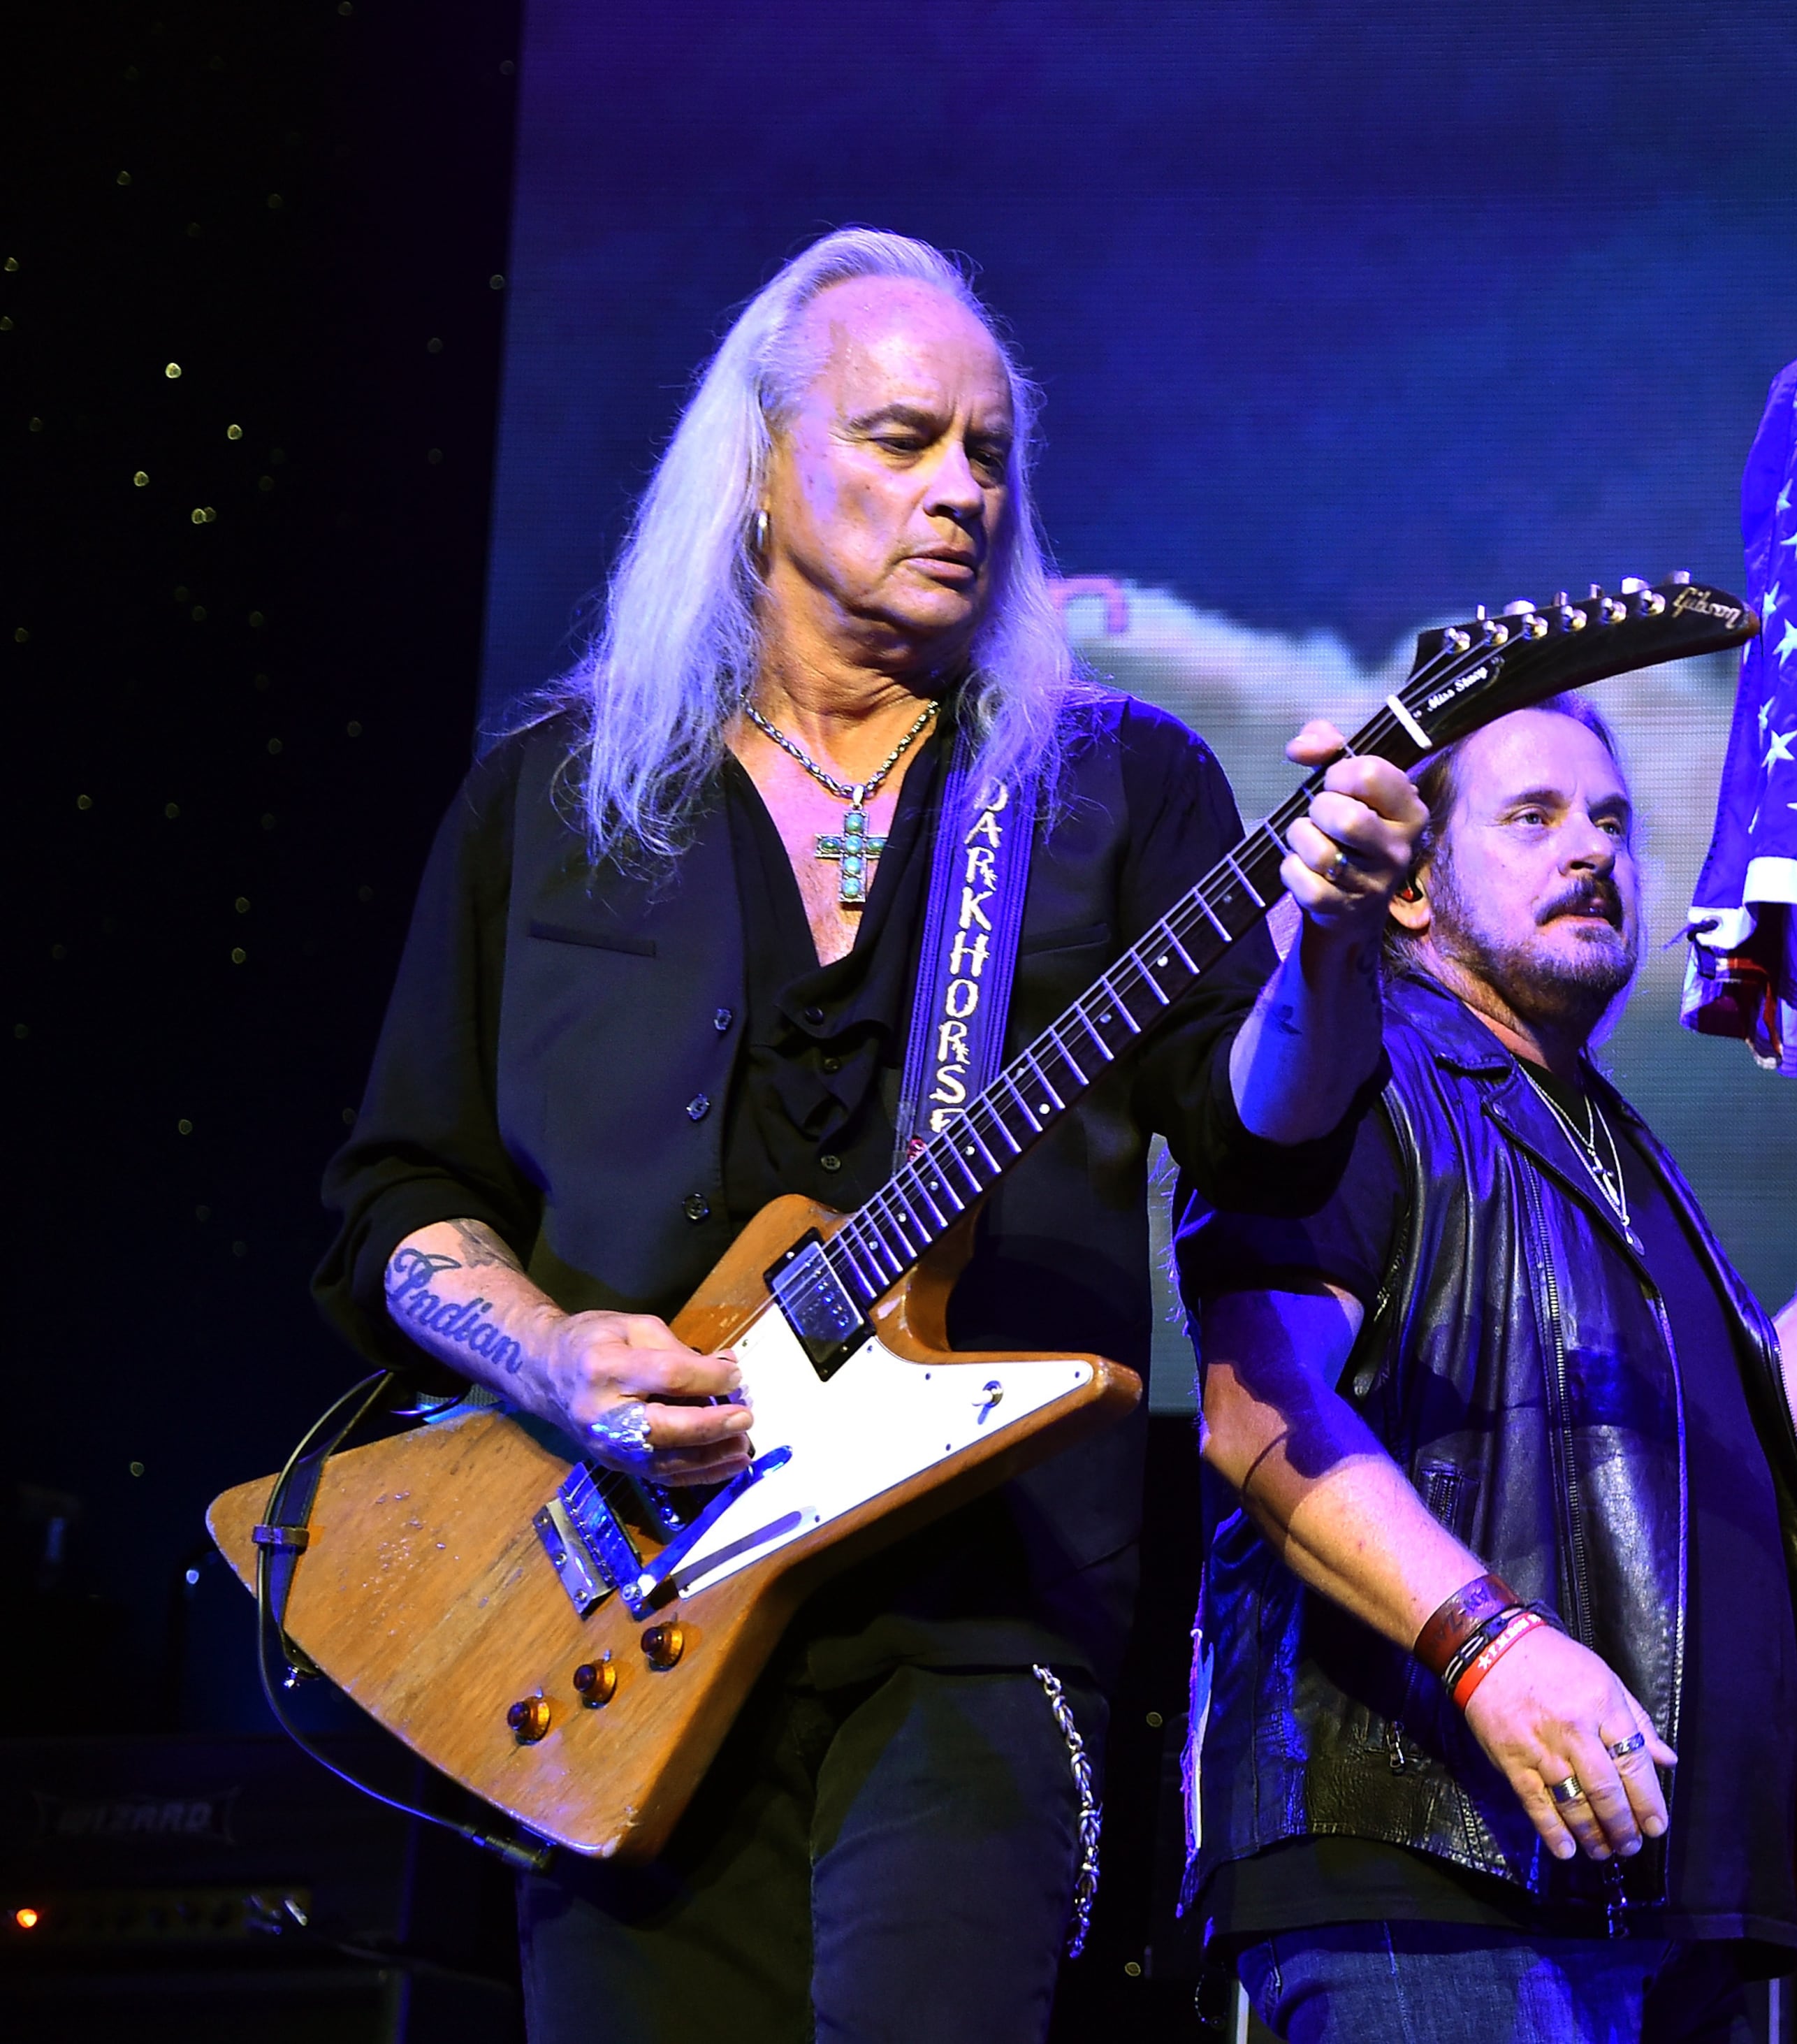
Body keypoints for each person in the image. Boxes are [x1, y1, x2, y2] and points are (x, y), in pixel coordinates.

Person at [312, 229, 1423, 2043]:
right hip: (614, 1631)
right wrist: (553, 1352)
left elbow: (1268, 1142)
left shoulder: (1115, 786)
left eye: (991, 453)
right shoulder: (554, 800)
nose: (963, 490)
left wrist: (1327, 948)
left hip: (981, 1618)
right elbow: (397, 1195)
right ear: (762, 465)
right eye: (906, 440)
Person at [1170, 697, 1797, 2043]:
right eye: (1533, 818)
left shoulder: (1606, 1132)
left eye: (1610, 820)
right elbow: (1261, 1420)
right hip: (1436, 1873)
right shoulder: (1350, 1082)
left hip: (1660, 1888)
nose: (1591, 850)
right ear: (1413, 889)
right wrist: (1490, 1644)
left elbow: (1667, 1465)